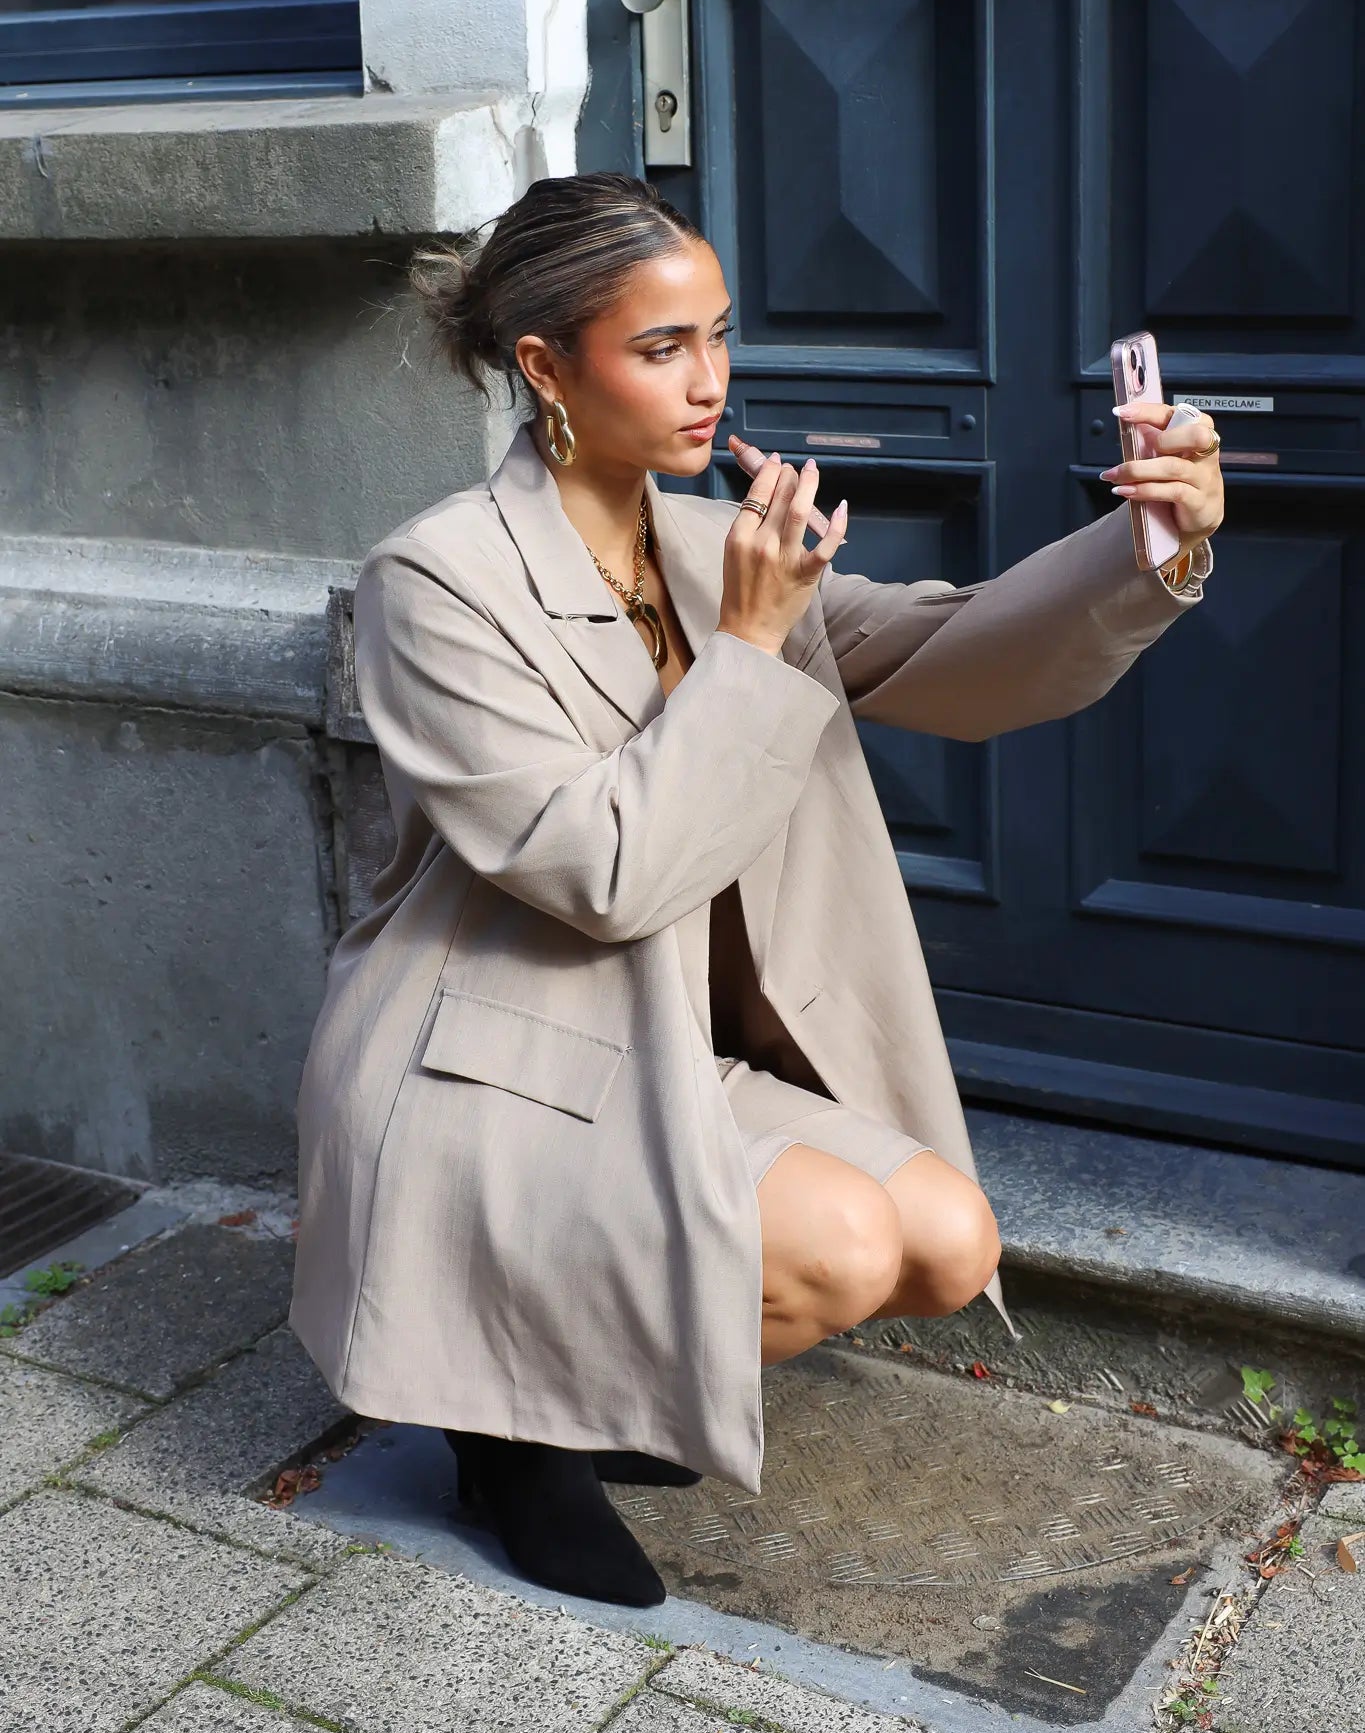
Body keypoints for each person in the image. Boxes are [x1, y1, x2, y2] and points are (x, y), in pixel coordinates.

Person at [288, 172, 1223, 1610]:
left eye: (718, 336)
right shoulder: (436, 582)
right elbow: (603, 872)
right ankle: (512, 1435)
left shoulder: (697, 543)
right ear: (546, 367)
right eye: (660, 348)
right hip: (510, 1060)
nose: (709, 381)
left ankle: (585, 1370)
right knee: (842, 1244)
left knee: (946, 1243)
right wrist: (747, 645)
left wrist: (1151, 541)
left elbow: (954, 651)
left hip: (678, 1041)